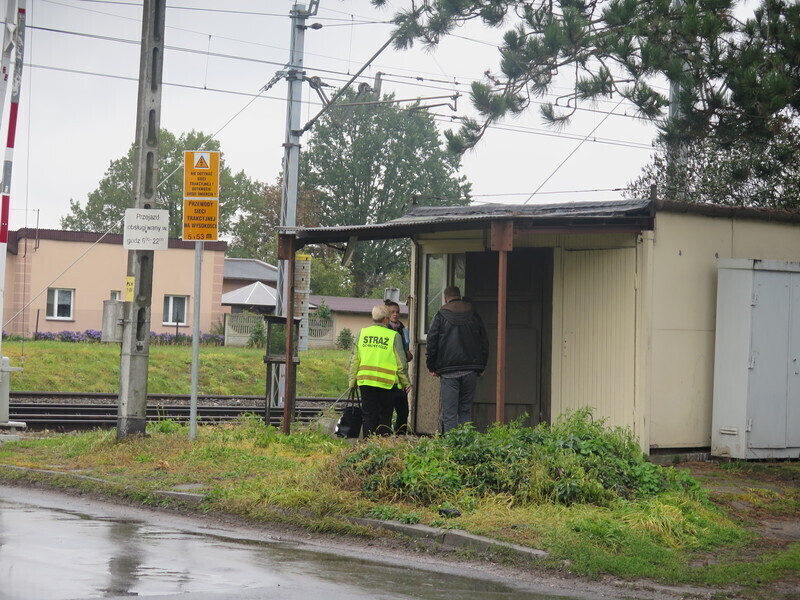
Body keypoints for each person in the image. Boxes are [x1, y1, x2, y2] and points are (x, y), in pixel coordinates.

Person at [426, 286, 489, 433]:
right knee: (465, 411)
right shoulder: (474, 315)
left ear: (446, 298)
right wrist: (481, 366)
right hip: (470, 370)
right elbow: (484, 343)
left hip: (448, 371)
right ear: (459, 296)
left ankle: (451, 449)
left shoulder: (440, 315)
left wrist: (431, 366)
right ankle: (465, 446)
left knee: (450, 413)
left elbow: (431, 342)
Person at [348, 304, 411, 437]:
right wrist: (406, 383)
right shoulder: (393, 336)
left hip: (366, 382)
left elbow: (354, 360)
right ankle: (382, 447)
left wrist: (352, 382)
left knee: (368, 415)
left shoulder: (362, 333)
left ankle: (367, 445)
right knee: (385, 416)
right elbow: (401, 363)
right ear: (386, 319)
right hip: (386, 383)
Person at [384, 299, 413, 434]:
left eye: (397, 312)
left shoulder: (403, 330)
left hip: (401, 377)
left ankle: (400, 436)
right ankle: (385, 436)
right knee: (387, 411)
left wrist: (408, 355)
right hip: (388, 377)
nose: (395, 314)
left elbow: (407, 352)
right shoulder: (384, 330)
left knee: (403, 412)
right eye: (392, 312)